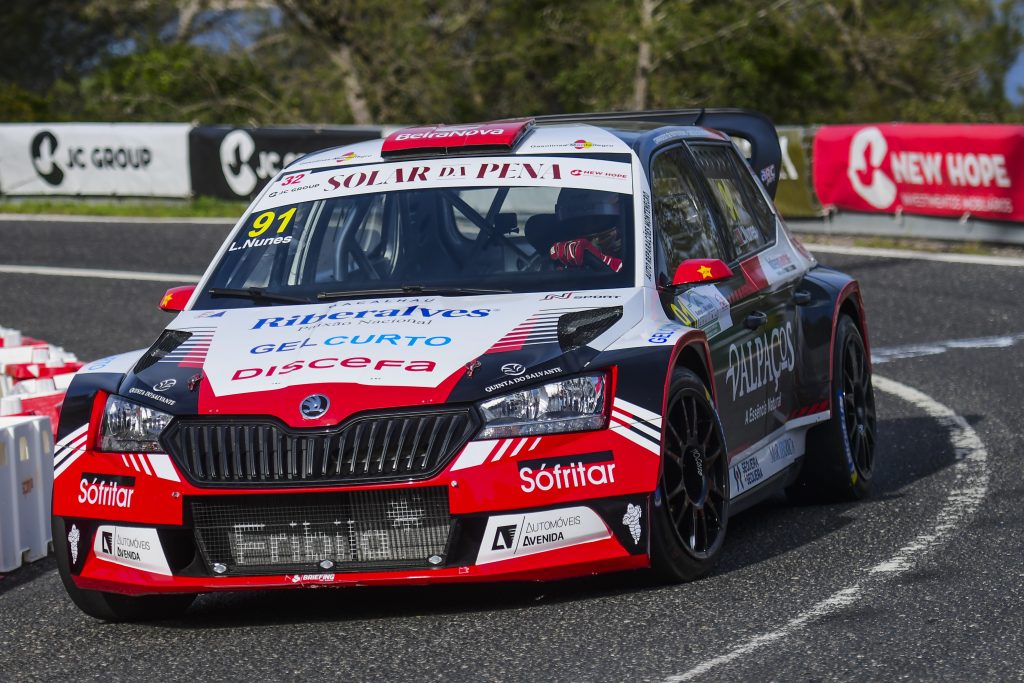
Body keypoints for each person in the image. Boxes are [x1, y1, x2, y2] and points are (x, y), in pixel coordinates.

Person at [547, 188, 625, 272]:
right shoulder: (558, 261)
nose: (588, 228)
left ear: (619, 221)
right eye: (578, 222)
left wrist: (601, 261)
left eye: (597, 220)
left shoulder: (633, 256)